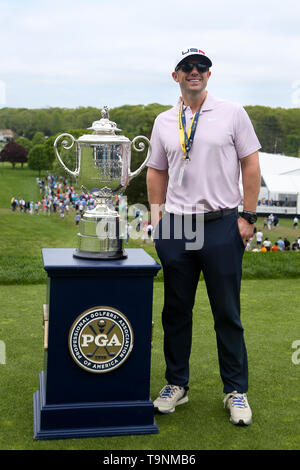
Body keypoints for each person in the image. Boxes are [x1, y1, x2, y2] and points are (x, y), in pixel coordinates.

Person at [146, 47, 261, 426]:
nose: (195, 72)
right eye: (187, 67)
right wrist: (157, 217)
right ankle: (176, 384)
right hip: (177, 225)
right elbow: (156, 171)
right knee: (175, 311)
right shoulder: (164, 121)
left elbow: (251, 162)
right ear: (176, 75)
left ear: (209, 75)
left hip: (221, 222)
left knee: (226, 312)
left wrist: (247, 215)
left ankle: (236, 390)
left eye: (202, 68)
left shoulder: (232, 113)